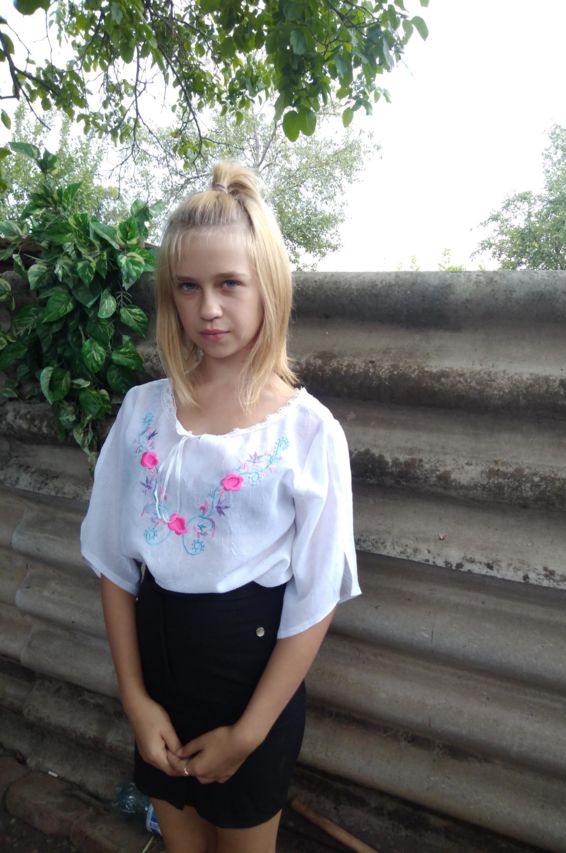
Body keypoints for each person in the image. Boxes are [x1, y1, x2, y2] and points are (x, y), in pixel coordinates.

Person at [80, 162, 360, 853]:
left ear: (268, 286)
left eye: (229, 283)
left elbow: (315, 595)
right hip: (159, 680)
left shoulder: (309, 432)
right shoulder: (142, 414)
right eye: (188, 286)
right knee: (182, 842)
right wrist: (136, 701)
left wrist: (249, 732)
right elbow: (116, 566)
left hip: (251, 690)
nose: (208, 308)